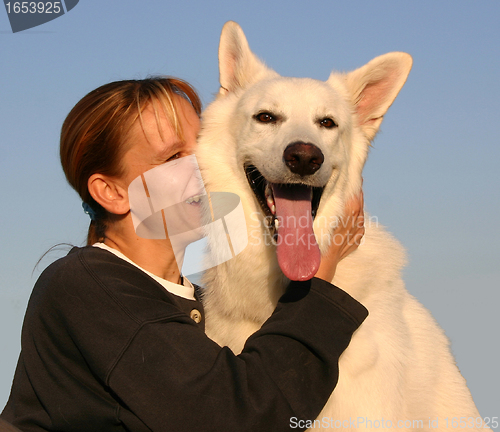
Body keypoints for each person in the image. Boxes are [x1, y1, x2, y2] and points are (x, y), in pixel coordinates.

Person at [1, 77, 367, 432]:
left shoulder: (189, 303)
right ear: (112, 192)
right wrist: (324, 270)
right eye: (174, 156)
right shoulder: (87, 285)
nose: (205, 163)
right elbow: (238, 417)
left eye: (205, 142)